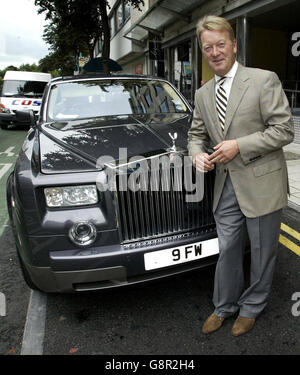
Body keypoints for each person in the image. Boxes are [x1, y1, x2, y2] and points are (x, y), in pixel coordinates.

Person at [188, 15, 294, 336]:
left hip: (261, 182)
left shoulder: (263, 80)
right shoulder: (202, 94)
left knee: (262, 252)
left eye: (221, 44)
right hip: (225, 186)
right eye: (209, 47)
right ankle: (224, 306)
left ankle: (252, 306)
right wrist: (196, 155)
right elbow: (195, 134)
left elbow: (284, 130)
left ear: (234, 45)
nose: (215, 52)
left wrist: (239, 145)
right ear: (203, 51)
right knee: (228, 249)